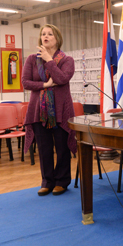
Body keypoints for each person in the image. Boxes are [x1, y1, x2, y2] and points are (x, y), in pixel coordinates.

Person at [22, 24, 76, 196]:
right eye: (43, 34)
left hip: (60, 111)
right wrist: (45, 85)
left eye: (50, 34)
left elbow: (62, 78)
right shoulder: (31, 59)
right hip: (38, 110)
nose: (45, 36)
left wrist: (49, 60)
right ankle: (47, 181)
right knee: (44, 148)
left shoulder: (67, 60)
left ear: (57, 38)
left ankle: (62, 181)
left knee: (62, 148)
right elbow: (25, 82)